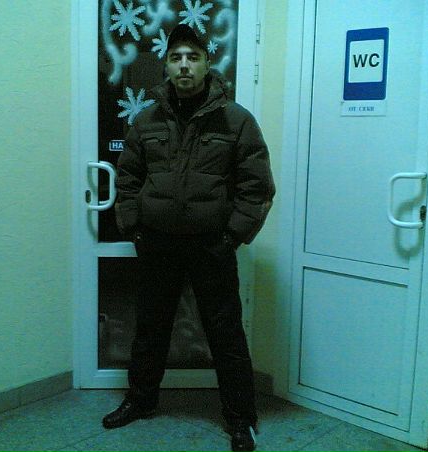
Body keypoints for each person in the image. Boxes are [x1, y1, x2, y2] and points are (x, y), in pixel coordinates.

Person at [103, 24, 275, 452]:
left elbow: (257, 187)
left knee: (225, 333)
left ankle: (241, 419)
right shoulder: (147, 121)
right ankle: (141, 400)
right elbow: (128, 178)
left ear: (206, 63)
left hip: (211, 245)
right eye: (176, 57)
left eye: (192, 57)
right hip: (158, 243)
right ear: (166, 64)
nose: (184, 65)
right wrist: (134, 227)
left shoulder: (236, 120)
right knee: (151, 328)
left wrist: (232, 236)